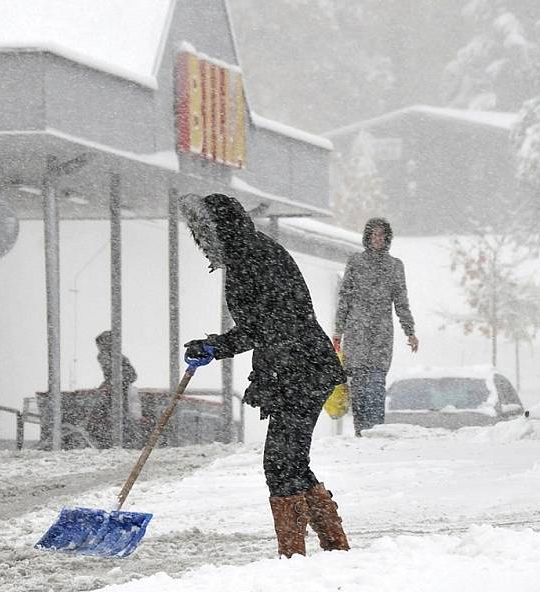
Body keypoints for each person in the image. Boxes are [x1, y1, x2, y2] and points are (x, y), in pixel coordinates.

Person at [179, 192, 350, 558]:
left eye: (205, 234)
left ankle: (293, 556)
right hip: (291, 367)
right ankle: (332, 546)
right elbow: (264, 326)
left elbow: (269, 325)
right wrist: (215, 345)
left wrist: (216, 346)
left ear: (221, 230)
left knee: (281, 462)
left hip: (301, 368)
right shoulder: (248, 255)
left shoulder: (256, 259)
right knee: (289, 461)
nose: (202, 243)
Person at [333, 217, 418, 436]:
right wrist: (338, 331)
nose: (377, 239)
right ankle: (361, 431)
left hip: (381, 336)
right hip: (356, 334)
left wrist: (409, 331)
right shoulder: (355, 262)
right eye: (374, 235)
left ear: (387, 238)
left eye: (381, 235)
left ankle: (375, 431)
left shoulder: (395, 266)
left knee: (376, 385)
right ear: (367, 237)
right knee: (359, 388)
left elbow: (401, 301)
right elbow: (345, 298)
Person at [92, 330, 139, 448]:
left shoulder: (119, 358)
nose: (100, 349)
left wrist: (116, 382)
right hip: (112, 392)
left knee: (119, 416)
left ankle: (123, 442)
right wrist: (107, 384)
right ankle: (110, 441)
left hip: (119, 392)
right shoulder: (104, 356)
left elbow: (132, 376)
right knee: (103, 415)